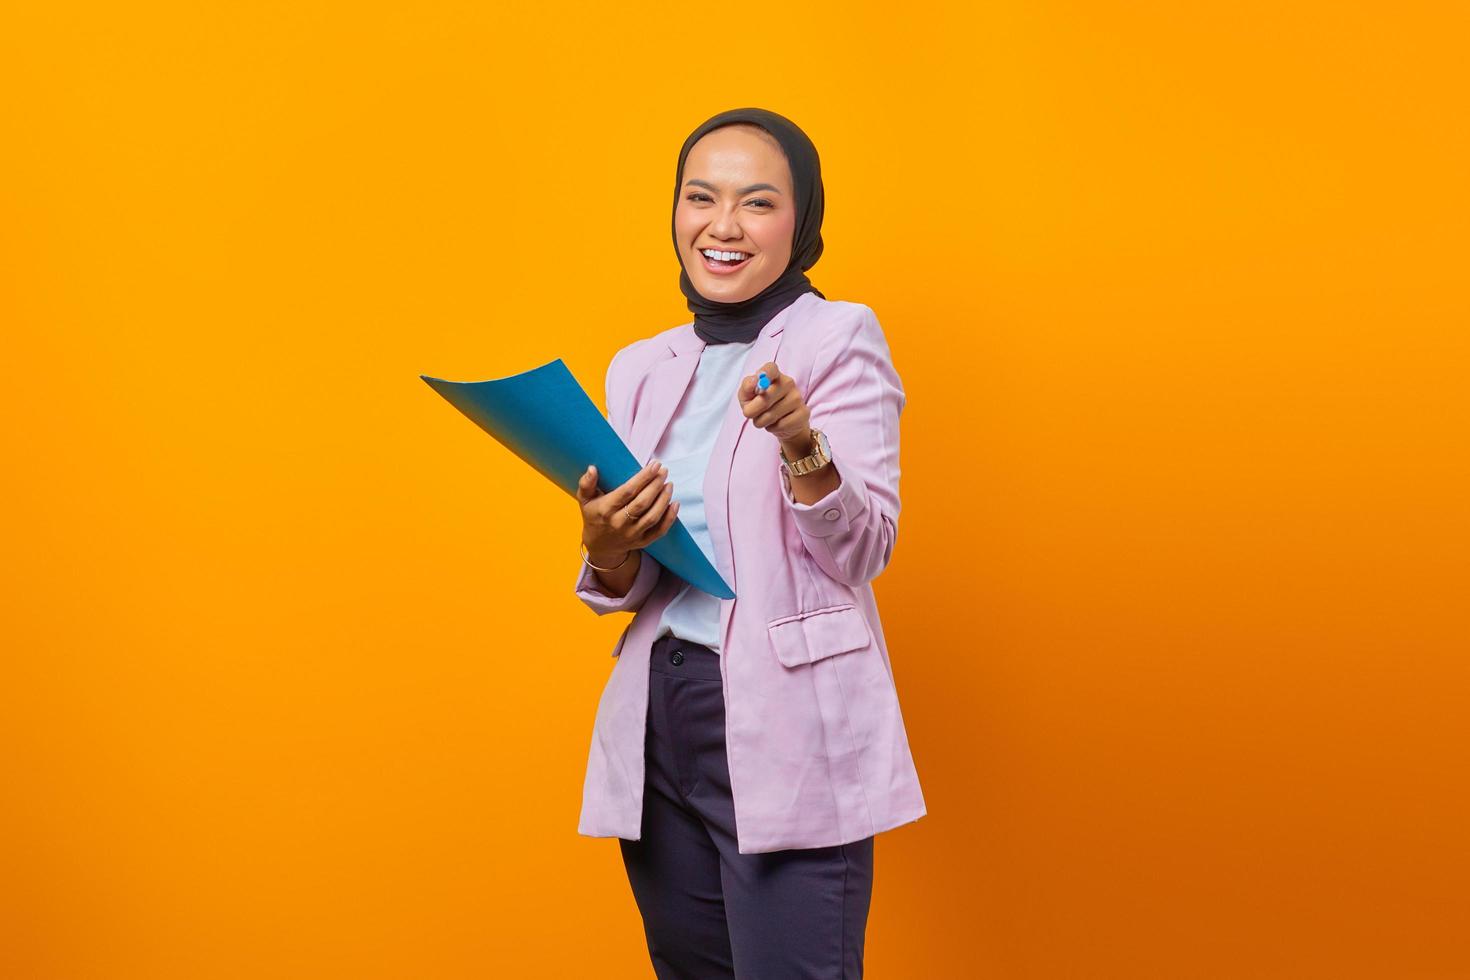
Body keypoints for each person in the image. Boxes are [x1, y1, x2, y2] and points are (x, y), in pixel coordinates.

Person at [572, 107, 926, 979]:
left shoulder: (837, 338)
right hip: (663, 716)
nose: (722, 227)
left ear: (799, 223)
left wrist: (802, 441)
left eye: (756, 203)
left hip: (785, 717)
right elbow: (628, 580)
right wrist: (605, 544)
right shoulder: (639, 366)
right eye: (701, 198)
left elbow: (862, 551)